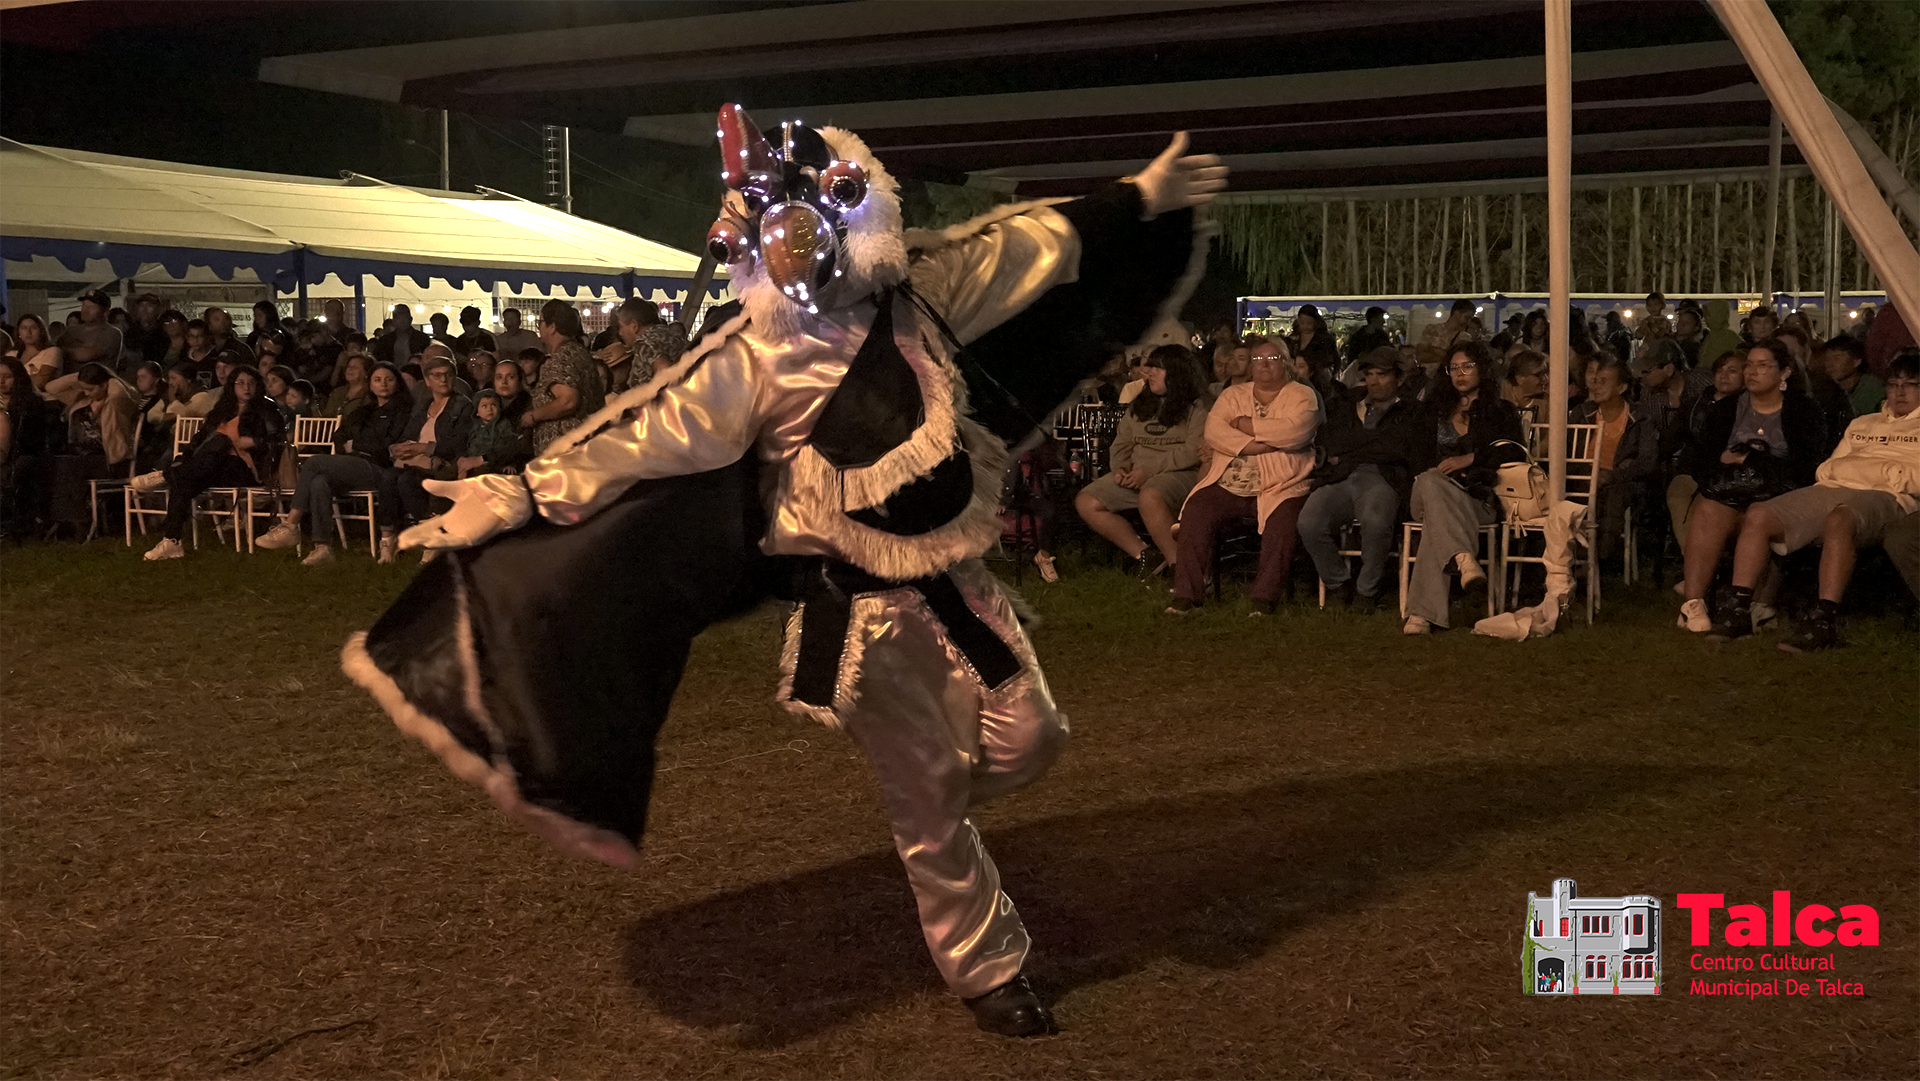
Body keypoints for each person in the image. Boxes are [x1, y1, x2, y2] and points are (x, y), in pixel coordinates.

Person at [342, 107, 1223, 1037]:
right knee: (929, 792)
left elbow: (1029, 246)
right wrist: (523, 490)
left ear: (850, 215)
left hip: (955, 581)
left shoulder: (922, 292)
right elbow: (648, 434)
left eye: (804, 227)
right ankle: (988, 967)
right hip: (861, 612)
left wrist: (1138, 197)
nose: (792, 254)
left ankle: (930, 823)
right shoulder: (757, 356)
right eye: (771, 235)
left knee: (1033, 739)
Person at [1707, 353, 1919, 651]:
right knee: (1759, 514)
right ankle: (1740, 607)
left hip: (1889, 496)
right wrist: (1879, 471)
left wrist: (1876, 474)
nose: (1900, 392)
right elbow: (1826, 470)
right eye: (1893, 385)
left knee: (1840, 520)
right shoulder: (1863, 424)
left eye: (1910, 385)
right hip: (1835, 487)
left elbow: (1913, 480)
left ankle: (1824, 619)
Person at [1677, 341, 1827, 634]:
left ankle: (1746, 604)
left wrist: (1752, 458)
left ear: (1784, 372)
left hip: (1780, 495)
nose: (1752, 372)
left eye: (1762, 366)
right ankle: (1692, 604)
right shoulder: (1727, 408)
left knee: (1758, 516)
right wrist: (1723, 462)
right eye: (1749, 365)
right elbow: (1702, 456)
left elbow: (1807, 465)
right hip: (1731, 491)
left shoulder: (1803, 410)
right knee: (1708, 509)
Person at [1169, 335, 1320, 615]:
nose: (1264, 364)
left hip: (1282, 483)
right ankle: (1187, 596)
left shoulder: (1301, 395)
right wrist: (1261, 444)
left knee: (1283, 523)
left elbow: (1296, 432)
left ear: (1285, 363)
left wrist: (1243, 424)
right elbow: (1215, 432)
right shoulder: (1233, 395)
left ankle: (1263, 599)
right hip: (1229, 482)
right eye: (1258, 359)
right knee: (1197, 509)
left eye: (1272, 358)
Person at [1402, 342, 1524, 635]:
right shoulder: (1432, 411)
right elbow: (1414, 456)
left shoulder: (1499, 411)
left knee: (1437, 523)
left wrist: (1471, 458)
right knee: (1431, 480)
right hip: (1426, 492)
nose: (1460, 373)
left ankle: (1421, 614)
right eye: (1454, 368)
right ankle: (1462, 556)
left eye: (1468, 366)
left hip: (1476, 499)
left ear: (1482, 369)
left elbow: (1514, 452)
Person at [254, 362, 413, 565]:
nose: (383, 384)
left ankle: (291, 524)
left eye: (389, 379)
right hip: (352, 463)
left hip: (379, 468)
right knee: (319, 482)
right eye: (377, 379)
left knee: (314, 462)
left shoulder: (403, 411)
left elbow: (388, 445)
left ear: (397, 383)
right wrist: (353, 444)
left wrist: (356, 443)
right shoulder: (364, 410)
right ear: (370, 384)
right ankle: (323, 547)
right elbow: (339, 435)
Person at [1299, 346, 1420, 612]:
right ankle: (1338, 583)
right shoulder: (1347, 403)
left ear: (1398, 378)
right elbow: (1330, 441)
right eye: (1369, 374)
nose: (1374, 381)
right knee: (1309, 521)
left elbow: (1398, 449)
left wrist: (1350, 451)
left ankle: (1367, 591)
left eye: (1382, 374)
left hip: (1384, 476)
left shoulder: (1412, 410)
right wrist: (1367, 446)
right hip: (1342, 475)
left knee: (1376, 522)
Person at [1072, 343, 1207, 576]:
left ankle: (1180, 567)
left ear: (1177, 372)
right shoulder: (1140, 404)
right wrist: (1120, 469)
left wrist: (1147, 471)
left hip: (1179, 473)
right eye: (1150, 367)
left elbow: (1192, 450)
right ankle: (1144, 554)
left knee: (1150, 495)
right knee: (1087, 500)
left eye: (1158, 368)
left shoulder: (1197, 406)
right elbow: (1121, 443)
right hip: (1136, 474)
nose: (1149, 372)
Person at [135, 367, 285, 561]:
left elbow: (278, 440)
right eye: (240, 383)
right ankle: (171, 541)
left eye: (251, 383)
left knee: (218, 445)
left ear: (258, 386)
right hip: (212, 467)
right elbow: (199, 440)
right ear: (232, 386)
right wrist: (184, 457)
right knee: (185, 480)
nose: (246, 387)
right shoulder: (223, 408)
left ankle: (165, 475)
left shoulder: (266, 408)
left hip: (247, 469)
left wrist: (255, 441)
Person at [1571, 356, 1659, 568]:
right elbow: (1567, 451)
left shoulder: (1640, 418)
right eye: (1595, 380)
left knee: (1613, 495)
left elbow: (1647, 461)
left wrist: (1612, 475)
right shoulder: (1583, 413)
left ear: (1621, 387)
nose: (1596, 386)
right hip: (1584, 476)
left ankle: (1598, 560)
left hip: (1621, 481)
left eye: (1604, 381)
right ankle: (1574, 556)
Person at [384, 354, 474, 554]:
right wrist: (396, 448)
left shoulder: (462, 405)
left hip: (442, 462)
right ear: (427, 380)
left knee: (406, 481)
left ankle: (432, 534)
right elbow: (407, 434)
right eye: (437, 375)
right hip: (414, 461)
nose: (443, 379)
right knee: (388, 478)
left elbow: (459, 443)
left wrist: (424, 448)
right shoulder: (424, 405)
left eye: (448, 375)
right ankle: (388, 538)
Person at [522, 299, 604, 451]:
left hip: (566, 450)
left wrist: (534, 415)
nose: (539, 327)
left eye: (540, 322)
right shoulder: (578, 352)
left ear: (552, 327)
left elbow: (568, 401)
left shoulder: (563, 356)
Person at [46, 363, 139, 469]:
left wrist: (110, 378)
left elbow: (118, 393)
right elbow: (51, 387)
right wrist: (83, 376)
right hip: (79, 452)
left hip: (105, 455)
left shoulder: (116, 402)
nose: (86, 393)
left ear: (104, 385)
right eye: (83, 389)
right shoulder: (83, 399)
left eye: (90, 389)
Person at [0, 357, 51, 537]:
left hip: (23, 454)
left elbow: (32, 440)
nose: (1, 381)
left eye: (7, 376)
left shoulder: (30, 404)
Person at [599, 297, 688, 392]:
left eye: (621, 326)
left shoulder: (646, 344)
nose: (620, 333)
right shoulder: (672, 337)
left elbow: (667, 375)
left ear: (634, 326)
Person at [455, 390, 531, 477]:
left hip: (495, 463)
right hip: (472, 461)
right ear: (477, 411)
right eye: (484, 406)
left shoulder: (504, 425)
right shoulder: (472, 428)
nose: (489, 409)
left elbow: (511, 447)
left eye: (493, 405)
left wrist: (511, 464)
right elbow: (465, 445)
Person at [1819, 336, 1884, 419]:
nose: (1830, 364)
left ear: (1856, 361)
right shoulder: (1824, 387)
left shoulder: (1872, 388)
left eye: (1837, 358)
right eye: (1827, 359)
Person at [1288, 303, 1340, 401]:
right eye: (1302, 323)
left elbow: (1332, 360)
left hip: (1319, 383)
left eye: (1309, 323)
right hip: (1296, 379)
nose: (1305, 326)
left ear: (1316, 322)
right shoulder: (1293, 339)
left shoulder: (1324, 339)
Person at [61, 290, 125, 370]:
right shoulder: (72, 330)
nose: (85, 310)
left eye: (92, 307)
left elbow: (85, 355)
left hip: (96, 377)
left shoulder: (112, 332)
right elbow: (52, 346)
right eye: (84, 306)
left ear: (105, 312)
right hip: (69, 376)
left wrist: (62, 351)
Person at [1415, 299, 1484, 371]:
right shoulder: (1432, 329)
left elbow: (1455, 359)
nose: (1468, 321)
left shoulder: (1464, 337)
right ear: (1457, 313)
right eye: (1467, 317)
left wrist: (1432, 349)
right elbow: (1420, 356)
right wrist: (1444, 355)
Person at [11, 314, 64, 391]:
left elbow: (40, 382)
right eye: (24, 328)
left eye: (33, 328)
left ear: (41, 331)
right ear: (18, 332)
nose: (28, 332)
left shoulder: (52, 351)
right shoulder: (12, 354)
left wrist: (12, 380)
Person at [374, 304, 432, 369]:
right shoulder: (385, 341)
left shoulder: (422, 339)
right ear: (394, 321)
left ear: (410, 319)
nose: (402, 321)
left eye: (405, 317)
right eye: (398, 318)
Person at [1502, 349, 1549, 430]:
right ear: (1519, 378)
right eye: (1539, 375)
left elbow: (1550, 435)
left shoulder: (1548, 402)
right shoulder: (1499, 396)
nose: (1546, 379)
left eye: (1546, 373)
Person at [321, 353, 371, 418]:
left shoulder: (369, 395)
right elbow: (326, 416)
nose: (349, 369)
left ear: (366, 372)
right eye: (348, 366)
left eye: (354, 367)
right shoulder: (337, 392)